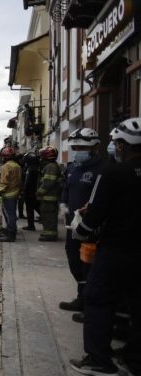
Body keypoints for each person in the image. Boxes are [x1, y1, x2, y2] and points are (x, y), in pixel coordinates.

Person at [69, 118, 141, 375]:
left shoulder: (112, 172)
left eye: (116, 143)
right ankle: (134, 358)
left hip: (116, 248)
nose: (115, 148)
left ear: (123, 145)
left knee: (99, 299)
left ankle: (99, 360)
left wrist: (82, 231)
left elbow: (97, 211)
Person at [58, 128, 106, 315]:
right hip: (73, 225)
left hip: (92, 227)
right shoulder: (73, 168)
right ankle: (81, 297)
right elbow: (67, 189)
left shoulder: (102, 170)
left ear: (95, 148)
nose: (77, 150)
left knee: (90, 264)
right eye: (75, 147)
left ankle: (90, 305)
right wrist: (63, 204)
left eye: (82, 147)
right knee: (74, 260)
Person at [36, 146, 62, 241]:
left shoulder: (51, 167)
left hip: (49, 197)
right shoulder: (51, 166)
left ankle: (50, 235)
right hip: (48, 197)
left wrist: (39, 192)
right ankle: (47, 232)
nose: (40, 158)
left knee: (49, 216)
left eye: (41, 156)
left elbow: (48, 183)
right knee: (46, 216)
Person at [0, 146, 22, 242]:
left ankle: (11, 234)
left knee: (9, 215)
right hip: (15, 192)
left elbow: (4, 181)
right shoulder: (17, 165)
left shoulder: (6, 166)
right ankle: (10, 230)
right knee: (12, 214)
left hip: (8, 194)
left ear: (4, 157)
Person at [22, 152, 40, 231]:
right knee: (35, 207)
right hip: (34, 192)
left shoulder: (30, 169)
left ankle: (31, 225)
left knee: (30, 209)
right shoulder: (35, 168)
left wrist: (24, 190)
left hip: (30, 192)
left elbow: (27, 181)